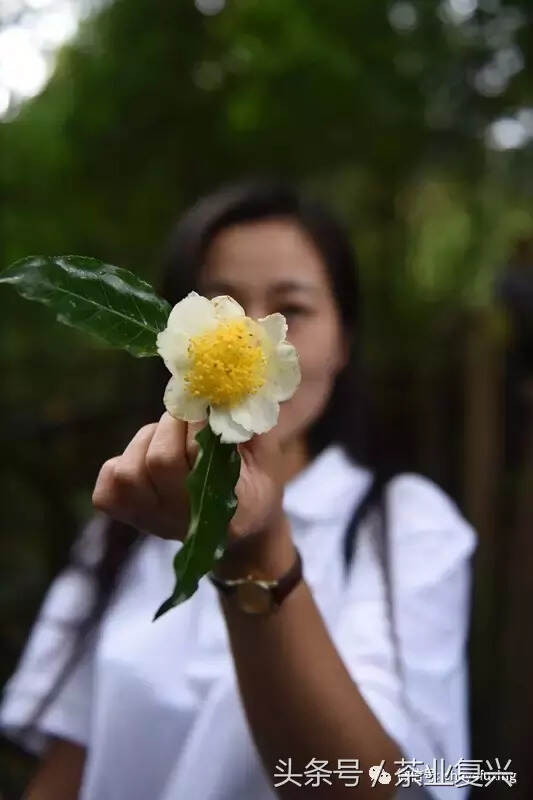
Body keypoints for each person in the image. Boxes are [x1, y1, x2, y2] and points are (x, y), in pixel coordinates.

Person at [0, 180, 477, 800]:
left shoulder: (407, 524)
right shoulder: (126, 521)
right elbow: (67, 770)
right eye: (222, 304)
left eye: (293, 309)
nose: (250, 335)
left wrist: (258, 549)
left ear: (343, 343)